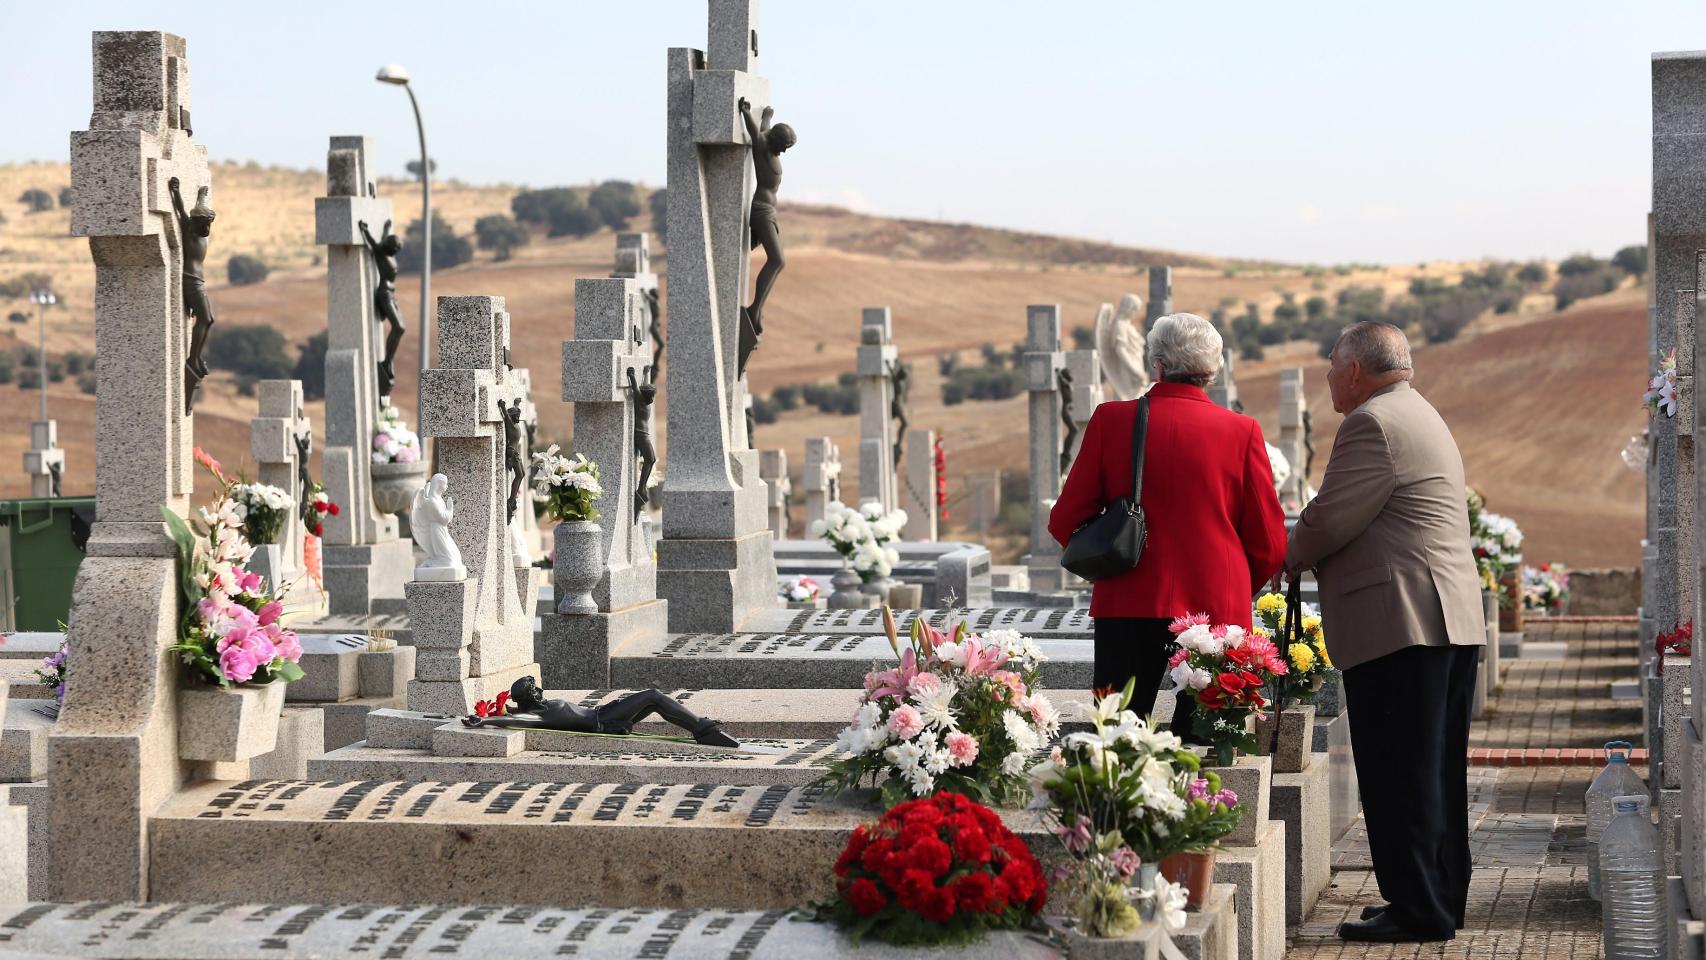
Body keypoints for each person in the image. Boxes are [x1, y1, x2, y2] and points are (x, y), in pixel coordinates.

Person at [1284, 321, 1484, 944]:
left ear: (1354, 371)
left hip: (1403, 625)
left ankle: (1419, 908)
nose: (1325, 377)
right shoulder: (1417, 411)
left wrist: (1276, 554)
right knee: (1433, 769)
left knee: (1399, 770)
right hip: (1441, 618)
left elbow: (1328, 520)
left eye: (1331, 366)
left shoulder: (1371, 424)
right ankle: (1434, 895)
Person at [1048, 313, 1286, 736]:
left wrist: (1105, 560)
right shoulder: (1242, 431)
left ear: (1155, 364)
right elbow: (1269, 541)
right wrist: (1232, 585)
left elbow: (1065, 518)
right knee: (1208, 747)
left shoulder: (1111, 421)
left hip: (1127, 599)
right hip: (1214, 612)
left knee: (1118, 739)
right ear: (1213, 371)